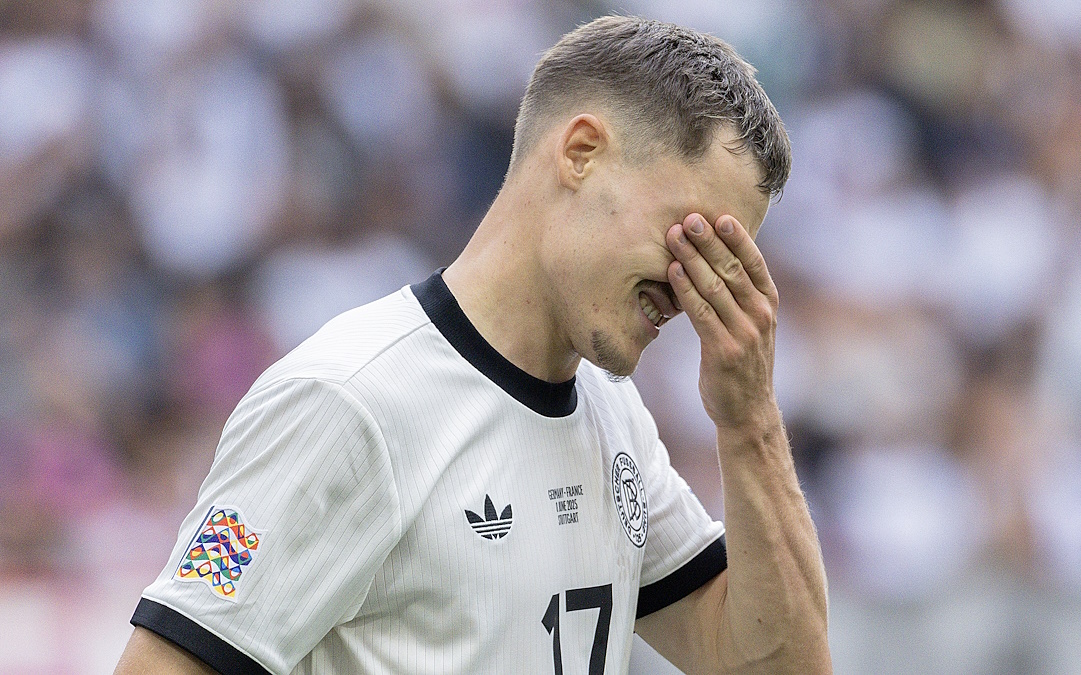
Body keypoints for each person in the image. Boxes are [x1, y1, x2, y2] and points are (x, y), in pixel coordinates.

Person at [114, 15, 831, 675]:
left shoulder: (616, 419)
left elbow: (776, 667)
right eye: (692, 237)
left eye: (727, 262)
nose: (694, 285)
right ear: (581, 152)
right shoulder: (345, 401)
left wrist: (751, 422)